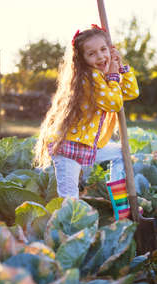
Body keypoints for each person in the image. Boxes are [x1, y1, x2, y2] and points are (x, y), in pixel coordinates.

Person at [33, 25, 139, 208]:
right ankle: (67, 232)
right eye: (92, 54)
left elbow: (130, 93)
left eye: (103, 50)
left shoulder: (103, 76)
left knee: (123, 152)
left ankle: (121, 205)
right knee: (69, 198)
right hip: (69, 147)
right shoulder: (89, 77)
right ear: (81, 59)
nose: (100, 56)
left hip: (88, 145)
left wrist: (120, 68)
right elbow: (114, 103)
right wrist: (113, 76)